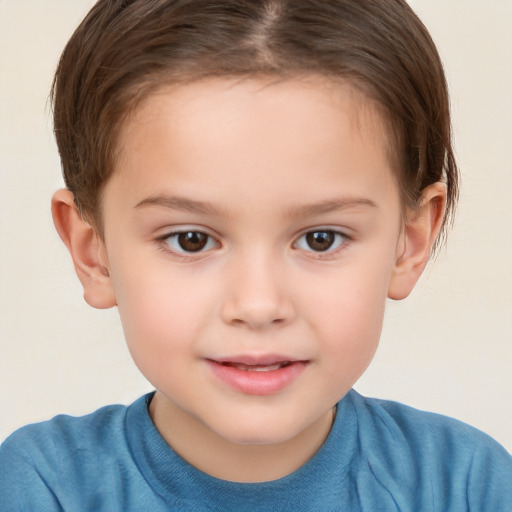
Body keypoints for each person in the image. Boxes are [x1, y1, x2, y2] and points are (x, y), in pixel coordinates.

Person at [0, 0, 510, 509]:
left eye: (321, 239)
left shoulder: (466, 486)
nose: (259, 304)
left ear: (410, 240)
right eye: (190, 239)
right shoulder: (37, 487)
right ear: (95, 253)